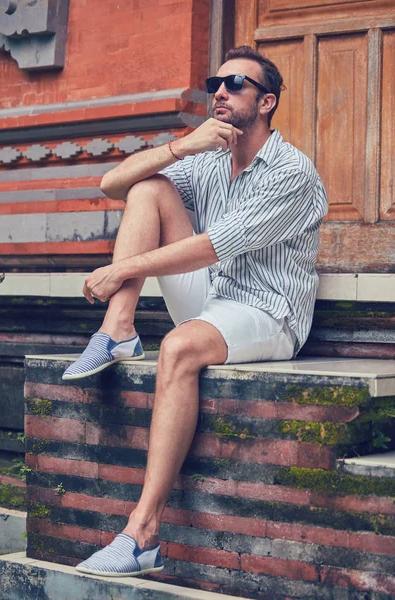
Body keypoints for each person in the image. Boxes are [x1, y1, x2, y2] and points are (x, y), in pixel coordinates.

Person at [66, 45, 328, 577]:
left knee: (179, 347)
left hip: (267, 310)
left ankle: (142, 534)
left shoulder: (292, 171)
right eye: (216, 84)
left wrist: (123, 267)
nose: (221, 92)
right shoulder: (207, 159)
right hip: (213, 296)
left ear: (267, 101)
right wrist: (180, 146)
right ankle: (116, 328)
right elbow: (110, 185)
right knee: (148, 187)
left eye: (236, 84)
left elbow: (217, 244)